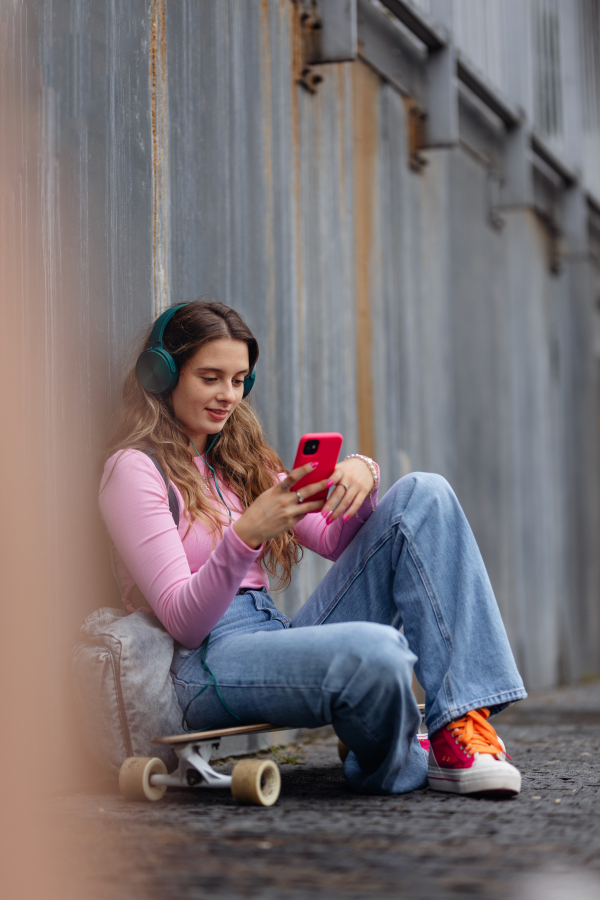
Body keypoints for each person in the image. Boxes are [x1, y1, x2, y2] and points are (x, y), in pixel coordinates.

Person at [100, 299, 527, 797]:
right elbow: (183, 622)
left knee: (424, 493)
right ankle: (398, 749)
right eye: (210, 378)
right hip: (207, 662)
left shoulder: (241, 459)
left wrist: (361, 477)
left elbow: (333, 539)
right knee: (379, 654)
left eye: (239, 381)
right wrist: (246, 536)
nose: (227, 396)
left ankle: (457, 724)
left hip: (273, 633)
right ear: (163, 375)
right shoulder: (133, 470)